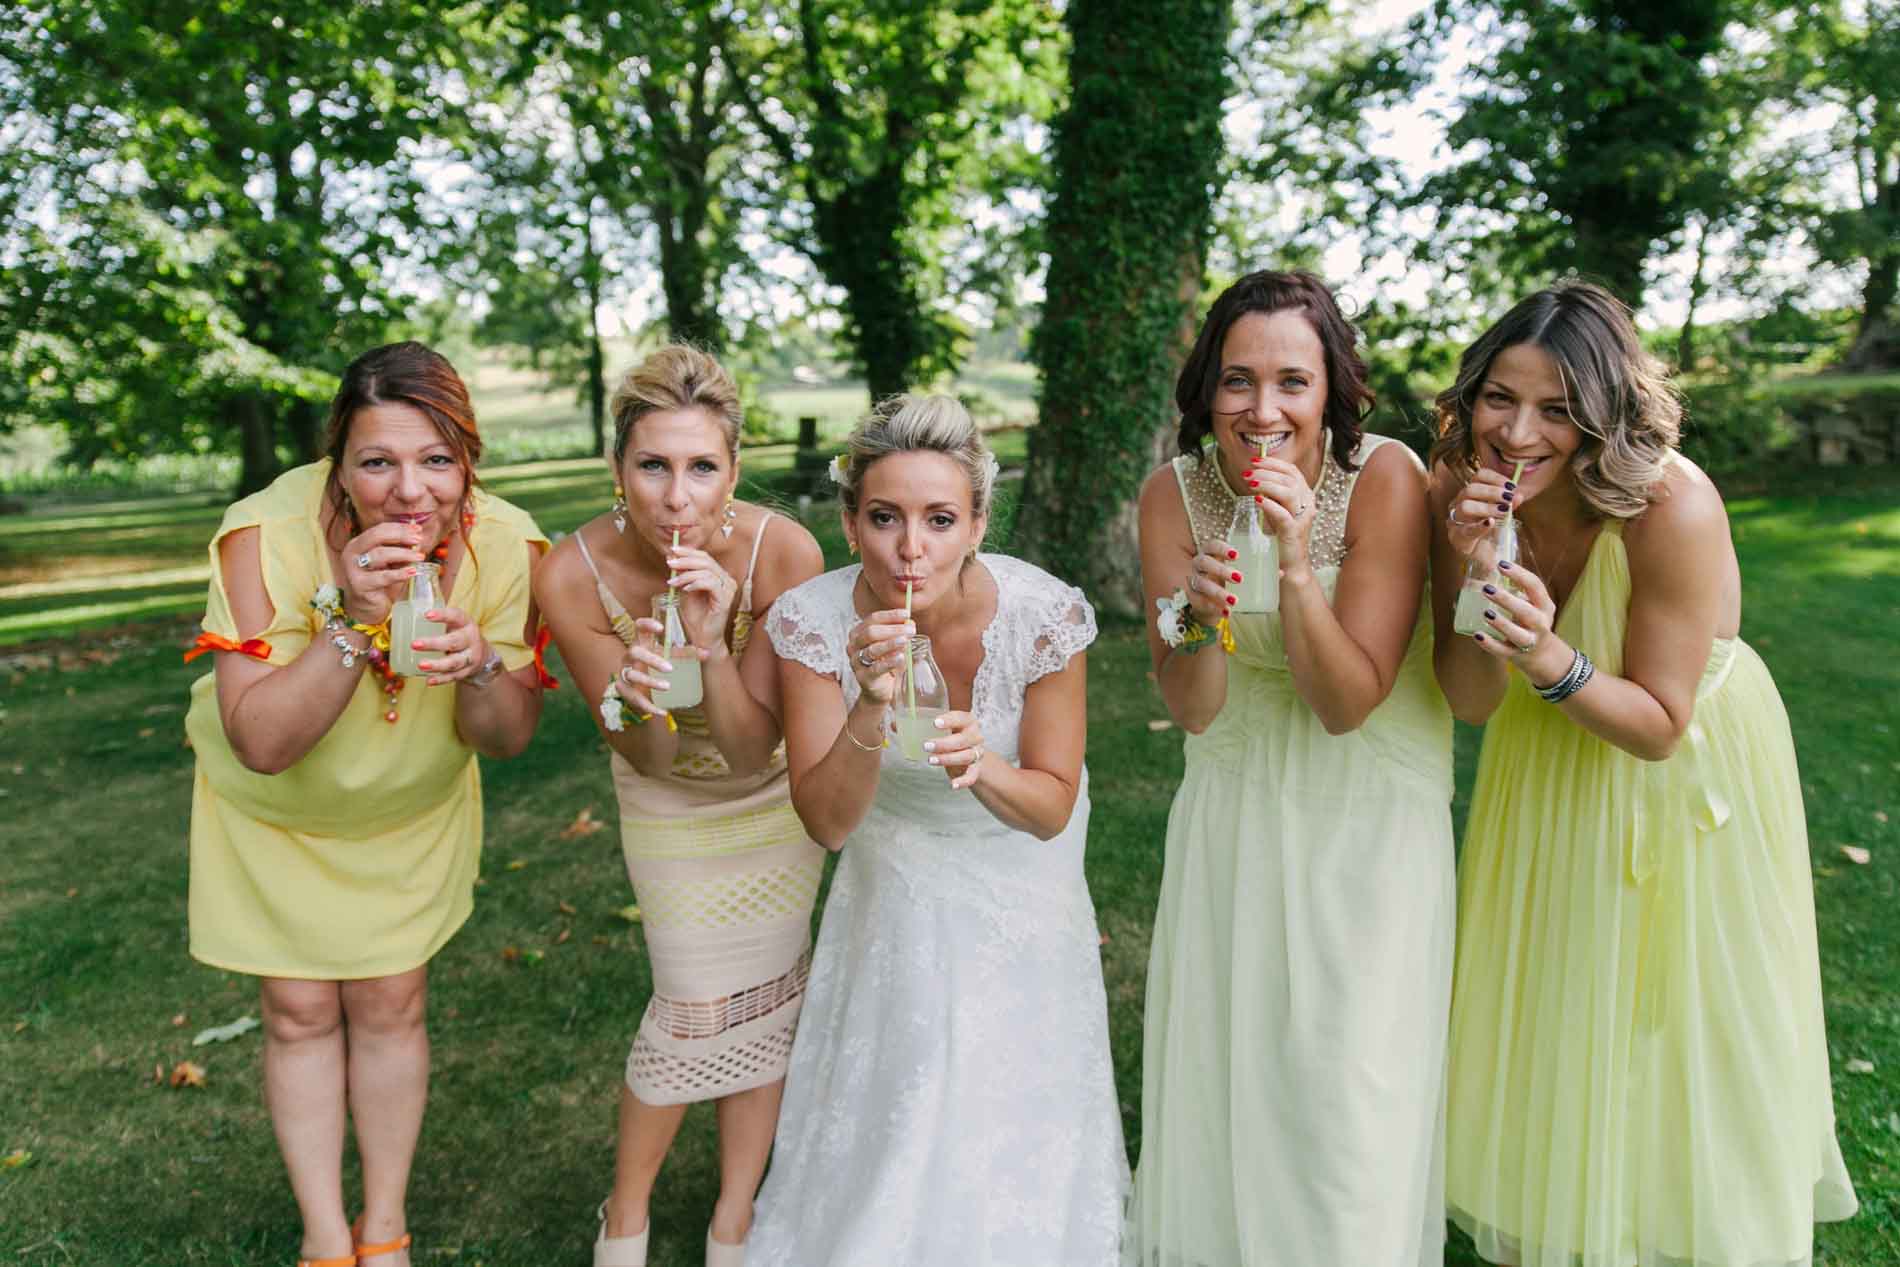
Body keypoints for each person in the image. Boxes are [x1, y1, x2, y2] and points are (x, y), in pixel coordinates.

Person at [1431, 281, 1859, 1266]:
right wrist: (1465, 571)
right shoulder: (1459, 482)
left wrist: (1546, 657)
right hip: (1542, 753)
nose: (1518, 432)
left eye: (1557, 410)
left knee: (1681, 1012)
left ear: (1605, 411)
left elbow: (1661, 723)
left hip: (1686, 767)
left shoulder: (1672, 501)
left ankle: (1692, 1224)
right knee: (1558, 988)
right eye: (1501, 397)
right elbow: (1467, 696)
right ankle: (1566, 1210)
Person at [183, 341, 548, 1267]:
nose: (409, 491)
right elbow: (261, 742)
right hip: (277, 818)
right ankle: (322, 1235)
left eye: (436, 460)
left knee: (392, 999)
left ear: (468, 461)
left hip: (407, 812)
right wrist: (348, 615)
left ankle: (382, 1228)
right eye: (377, 460)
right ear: (336, 464)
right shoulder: (263, 535)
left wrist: (479, 668)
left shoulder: (507, 545)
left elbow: (505, 737)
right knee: (298, 1010)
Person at [744, 394, 1128, 1265]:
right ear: (849, 523)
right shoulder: (811, 621)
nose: (909, 548)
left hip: (1022, 873)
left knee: (1009, 1093)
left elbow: (1053, 805)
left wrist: (982, 762)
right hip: (893, 875)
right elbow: (830, 822)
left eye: (939, 519)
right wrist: (869, 706)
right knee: (906, 1091)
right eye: (884, 518)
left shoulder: (1044, 616)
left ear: (977, 524)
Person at [1125, 269, 1456, 1266]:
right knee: (1235, 1074)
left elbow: (1347, 700)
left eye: (1290, 382)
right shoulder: (1171, 495)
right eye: (1236, 381)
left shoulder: (1386, 479)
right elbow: (1187, 703)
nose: (1261, 410)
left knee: (1346, 1083)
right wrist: (1199, 617)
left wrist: (1297, 559)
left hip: (1364, 813)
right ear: (1205, 391)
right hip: (1230, 804)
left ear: (1332, 391)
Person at [532, 345, 826, 1267]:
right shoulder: (571, 575)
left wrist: (709, 640)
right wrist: (649, 693)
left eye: (702, 466)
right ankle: (625, 1214)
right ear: (619, 470)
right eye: (653, 465)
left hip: (771, 796)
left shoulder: (785, 551)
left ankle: (733, 1216)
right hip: (664, 803)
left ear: (733, 471)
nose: (677, 496)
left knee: (769, 1003)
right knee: (694, 1001)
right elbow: (651, 755)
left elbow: (750, 747)